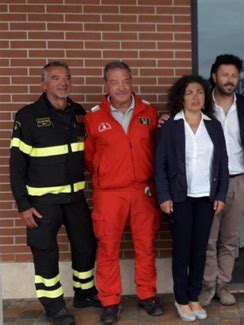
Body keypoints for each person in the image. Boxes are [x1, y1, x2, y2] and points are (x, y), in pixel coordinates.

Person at [9, 61, 99, 325]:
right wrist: (23, 205)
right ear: (44, 83)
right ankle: (54, 306)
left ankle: (84, 293)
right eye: (56, 78)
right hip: (42, 203)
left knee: (85, 246)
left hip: (75, 199)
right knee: (45, 252)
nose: (63, 83)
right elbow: (16, 166)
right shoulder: (27, 116)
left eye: (67, 78)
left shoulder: (79, 114)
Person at [84, 61, 162, 323]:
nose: (121, 87)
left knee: (145, 245)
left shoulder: (148, 112)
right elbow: (89, 157)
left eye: (126, 81)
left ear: (132, 82)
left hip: (143, 190)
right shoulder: (93, 117)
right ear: (105, 85)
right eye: (115, 82)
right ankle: (109, 301)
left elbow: (156, 148)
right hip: (109, 193)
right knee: (107, 247)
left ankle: (147, 295)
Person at [155, 75, 229, 322]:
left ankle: (194, 296)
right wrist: (164, 196)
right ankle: (181, 299)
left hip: (206, 198)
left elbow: (222, 164)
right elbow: (161, 165)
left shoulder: (214, 126)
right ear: (181, 97)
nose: (195, 97)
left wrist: (220, 195)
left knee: (200, 250)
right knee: (182, 250)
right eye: (189, 92)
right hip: (180, 198)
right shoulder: (170, 126)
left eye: (200, 92)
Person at [198, 54, 244, 307]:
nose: (230, 80)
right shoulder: (201, 105)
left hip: (238, 179)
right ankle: (208, 284)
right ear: (214, 76)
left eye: (234, 75)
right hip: (208, 180)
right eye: (225, 75)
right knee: (208, 237)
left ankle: (224, 285)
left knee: (230, 237)